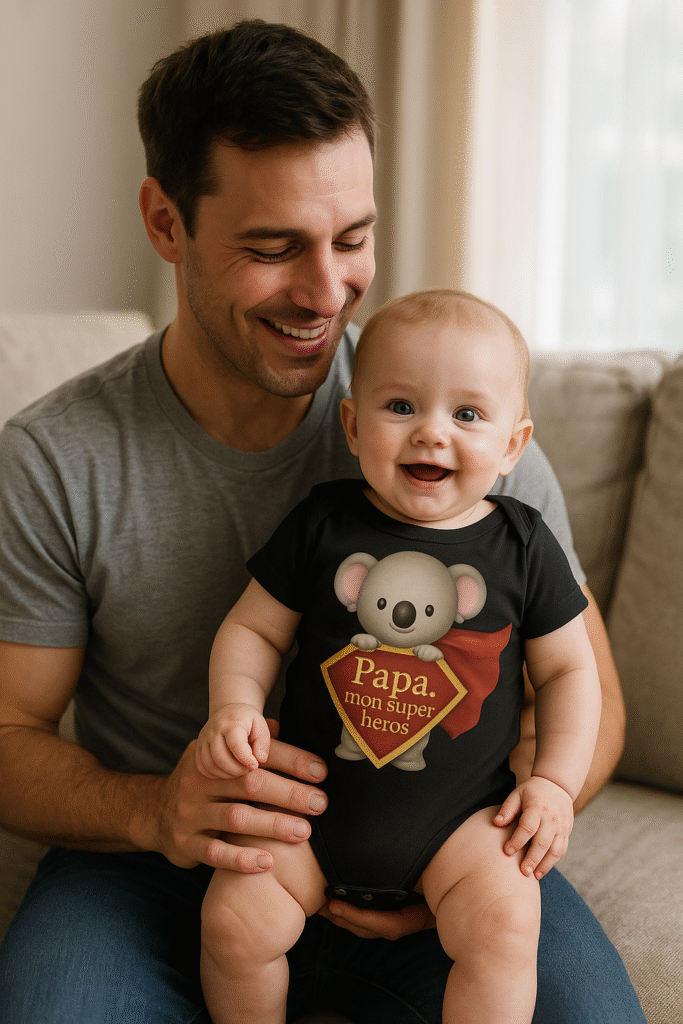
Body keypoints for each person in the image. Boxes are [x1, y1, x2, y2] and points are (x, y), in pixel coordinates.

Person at [0, 19, 645, 1024]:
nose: (325, 291)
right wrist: (156, 811)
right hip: (155, 863)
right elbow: (8, 734)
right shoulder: (55, 457)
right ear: (165, 223)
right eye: (273, 248)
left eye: (352, 239)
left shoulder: (454, 422)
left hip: (448, 852)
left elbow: (589, 694)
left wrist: (471, 831)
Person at [196, 288, 602, 1024]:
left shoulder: (522, 546)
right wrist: (234, 707)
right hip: (306, 824)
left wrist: (554, 784)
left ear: (514, 444)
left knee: (507, 925)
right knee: (233, 922)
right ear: (352, 424)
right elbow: (253, 630)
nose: (431, 435)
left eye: (467, 414)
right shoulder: (322, 522)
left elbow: (571, 672)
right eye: (401, 407)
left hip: (457, 833)